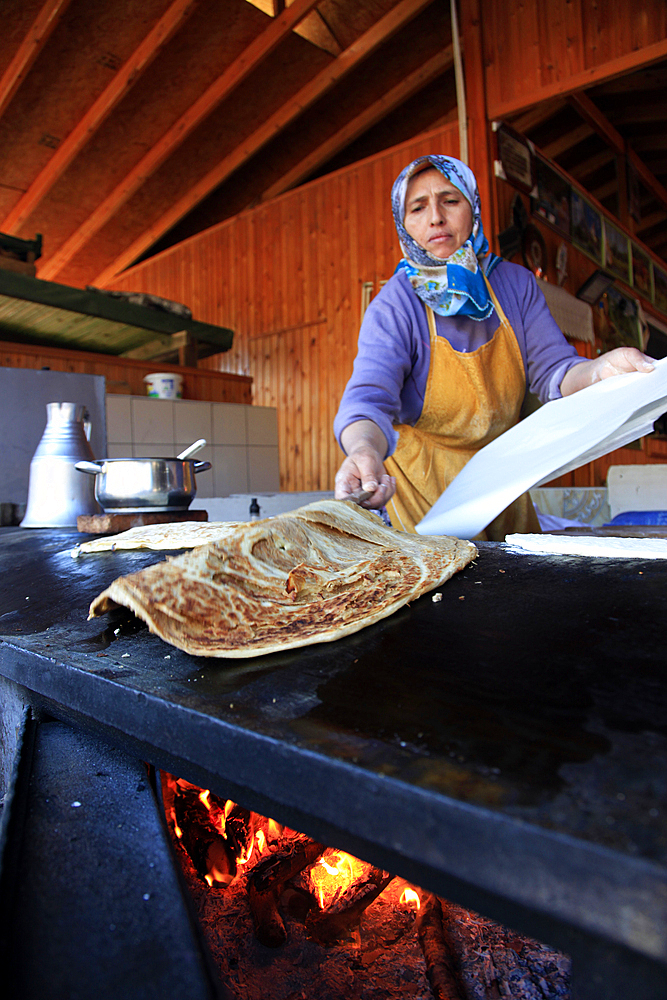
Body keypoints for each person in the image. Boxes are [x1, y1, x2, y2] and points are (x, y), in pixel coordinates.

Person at [333, 154, 655, 539]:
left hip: (501, 480)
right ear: (404, 225)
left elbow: (556, 370)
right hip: (423, 491)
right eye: (418, 208)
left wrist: (600, 370)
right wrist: (365, 451)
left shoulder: (514, 285)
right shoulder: (395, 304)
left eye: (450, 200)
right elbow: (368, 400)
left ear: (473, 207)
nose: (436, 216)